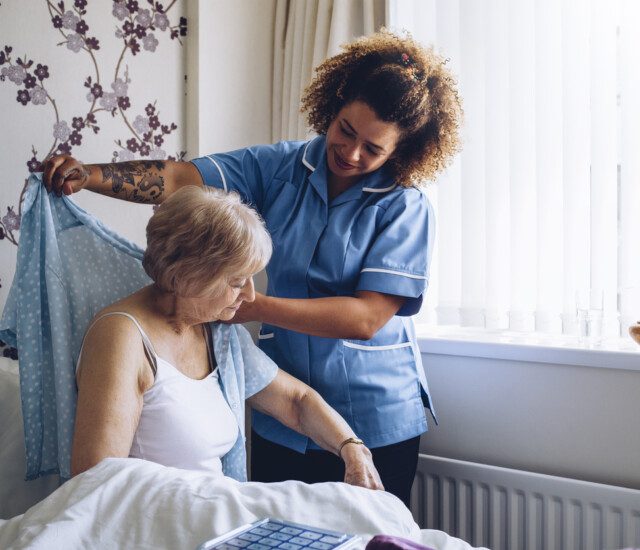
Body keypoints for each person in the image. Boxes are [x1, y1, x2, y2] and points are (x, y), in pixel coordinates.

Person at [46, 29, 462, 506]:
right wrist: (91, 176)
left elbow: (366, 318)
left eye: (373, 149)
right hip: (282, 418)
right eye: (346, 130)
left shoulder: (405, 207)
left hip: (373, 413)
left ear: (402, 152)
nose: (351, 153)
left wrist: (247, 304)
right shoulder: (279, 167)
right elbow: (182, 178)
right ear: (334, 105)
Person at [70, 184, 383, 492]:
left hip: (212, 515)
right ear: (186, 276)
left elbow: (296, 401)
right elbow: (96, 483)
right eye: (237, 281)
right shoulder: (122, 337)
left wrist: (352, 448)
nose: (249, 294)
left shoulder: (217, 333)